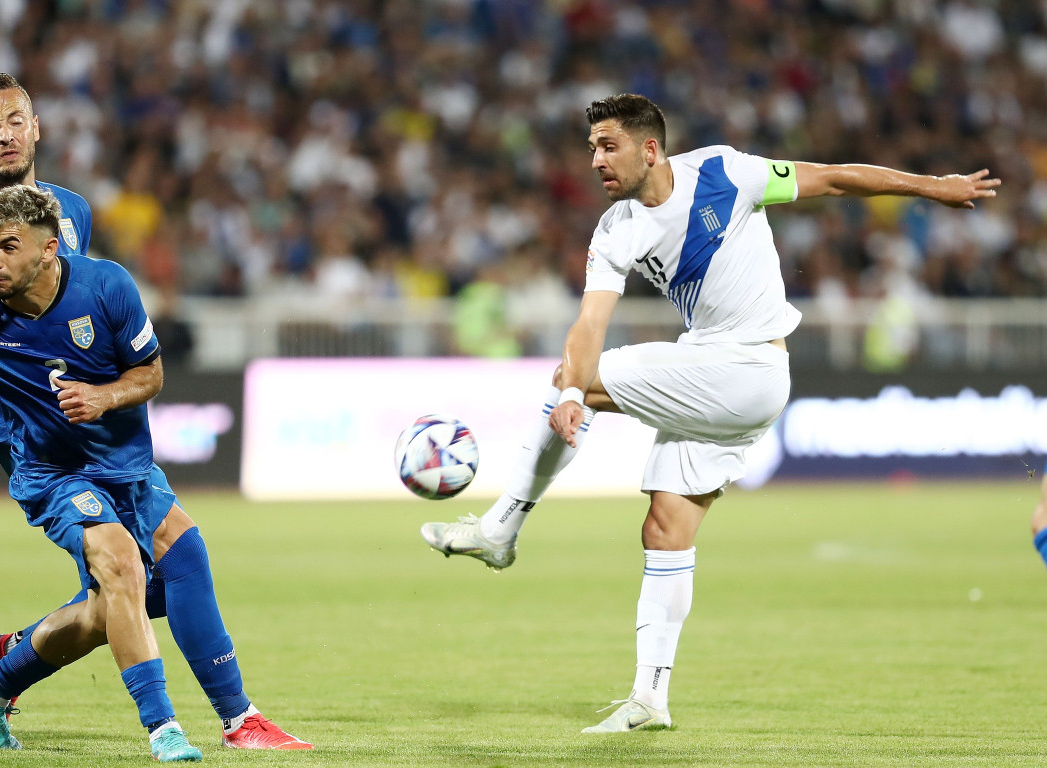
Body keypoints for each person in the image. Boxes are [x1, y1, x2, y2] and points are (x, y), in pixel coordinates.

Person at [420, 94, 1001, 733]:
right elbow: (591, 321)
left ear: (649, 149)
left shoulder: (727, 173)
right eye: (590, 147)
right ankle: (649, 699)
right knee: (665, 527)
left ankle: (502, 528)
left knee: (573, 381)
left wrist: (932, 187)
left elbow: (833, 178)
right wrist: (570, 394)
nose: (595, 161)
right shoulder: (616, 228)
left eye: (607, 146)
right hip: (715, 373)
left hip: (749, 366)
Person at [0, 74, 309, 751]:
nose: (3, 134)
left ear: (38, 128)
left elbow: (70, 310)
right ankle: (235, 721)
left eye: (14, 120)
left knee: (131, 588)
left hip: (97, 430)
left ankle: (8, 667)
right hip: (44, 442)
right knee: (159, 564)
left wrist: (109, 391)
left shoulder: (70, 212)